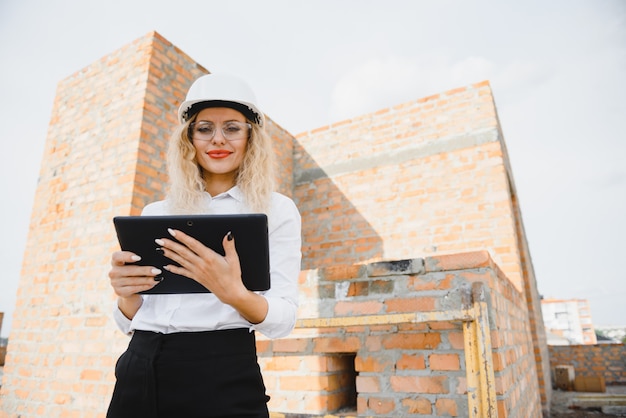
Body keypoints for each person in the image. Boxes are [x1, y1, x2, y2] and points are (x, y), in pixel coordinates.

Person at [106, 73, 302, 418]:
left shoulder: (276, 210)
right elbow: (134, 316)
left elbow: (283, 319)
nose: (218, 140)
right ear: (189, 138)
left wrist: (233, 293)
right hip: (139, 365)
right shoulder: (156, 212)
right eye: (205, 128)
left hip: (221, 373)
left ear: (251, 136)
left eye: (232, 128)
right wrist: (126, 293)